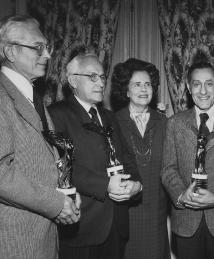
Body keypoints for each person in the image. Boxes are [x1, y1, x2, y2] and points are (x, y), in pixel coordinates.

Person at [0, 15, 81, 259]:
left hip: (42, 237)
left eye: (47, 48)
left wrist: (66, 193)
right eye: (38, 48)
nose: (47, 55)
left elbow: (42, 158)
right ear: (11, 52)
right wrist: (55, 204)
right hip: (16, 239)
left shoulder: (33, 96)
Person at [48, 51, 142, 259]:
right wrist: (105, 185)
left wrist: (136, 185)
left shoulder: (109, 117)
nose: (100, 83)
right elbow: (60, 166)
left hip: (117, 226)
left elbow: (127, 158)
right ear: (73, 80)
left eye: (102, 77)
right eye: (92, 77)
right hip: (82, 227)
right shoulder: (56, 114)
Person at [111, 58, 170, 259]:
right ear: (126, 91)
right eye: (137, 84)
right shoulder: (113, 121)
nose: (144, 89)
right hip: (125, 211)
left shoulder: (164, 122)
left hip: (157, 211)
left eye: (148, 84)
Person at [161, 62, 214, 259]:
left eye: (209, 84)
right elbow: (168, 169)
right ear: (189, 88)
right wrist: (182, 196)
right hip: (185, 224)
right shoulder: (174, 123)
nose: (203, 91)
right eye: (197, 84)